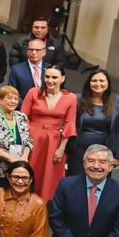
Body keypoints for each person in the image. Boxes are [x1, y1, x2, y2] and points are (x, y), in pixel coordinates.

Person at [22, 65, 77, 201]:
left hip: (54, 143)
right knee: (31, 171)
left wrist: (61, 148)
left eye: (54, 77)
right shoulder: (33, 93)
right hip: (32, 140)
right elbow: (22, 117)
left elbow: (70, 124)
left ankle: (45, 207)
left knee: (50, 176)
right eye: (47, 77)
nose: (50, 80)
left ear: (62, 78)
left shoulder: (70, 98)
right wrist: (25, 144)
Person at [67, 69, 119, 175]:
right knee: (75, 181)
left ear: (108, 83)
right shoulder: (77, 99)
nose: (98, 84)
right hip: (78, 150)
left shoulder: (118, 101)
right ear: (89, 83)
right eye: (94, 81)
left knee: (98, 183)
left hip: (104, 152)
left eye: (102, 81)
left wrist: (118, 155)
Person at [0, 86, 34, 189]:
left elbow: (29, 140)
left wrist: (24, 157)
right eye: (9, 98)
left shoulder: (21, 117)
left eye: (16, 99)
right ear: (0, 100)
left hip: (16, 170)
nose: (13, 101)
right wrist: (10, 158)